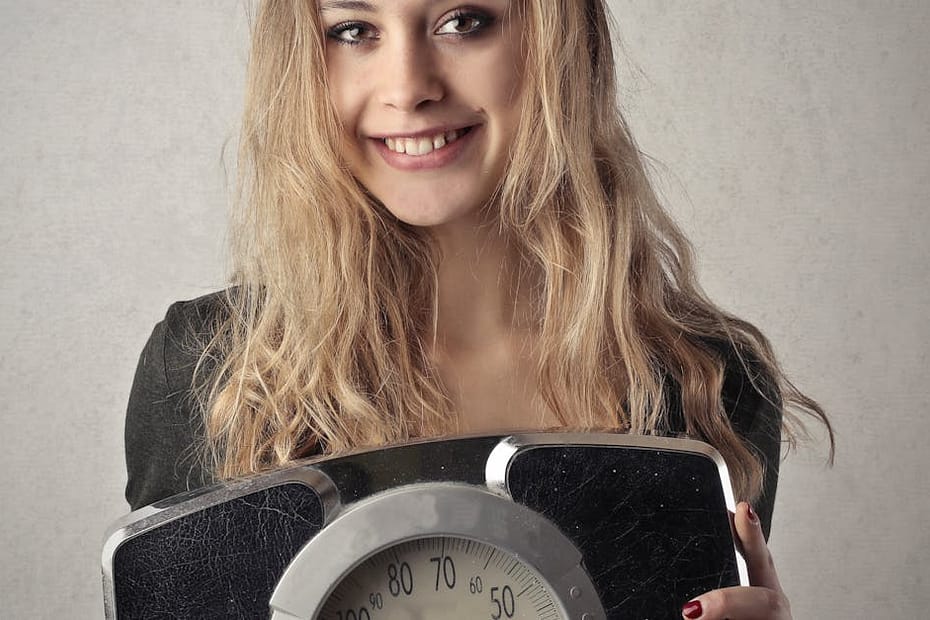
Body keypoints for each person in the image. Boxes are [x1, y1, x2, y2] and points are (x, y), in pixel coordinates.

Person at [125, 1, 833, 618]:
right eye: (352, 30)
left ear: (563, 44)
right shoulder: (211, 369)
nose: (408, 88)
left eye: (465, 22)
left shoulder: (706, 380)